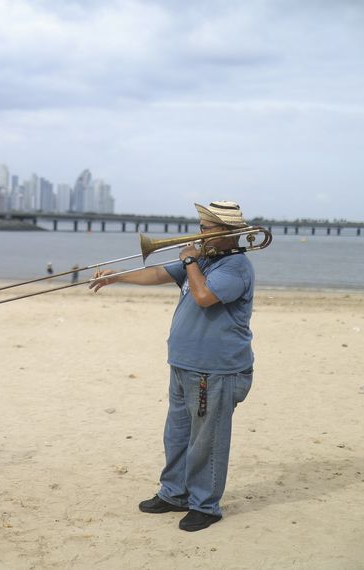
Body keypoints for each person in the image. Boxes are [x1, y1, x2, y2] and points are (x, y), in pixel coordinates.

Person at [90, 201, 255, 532]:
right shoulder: (207, 260)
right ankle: (174, 494)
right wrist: (116, 278)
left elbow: (204, 296)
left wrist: (191, 259)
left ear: (226, 233)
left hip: (215, 369)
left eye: (205, 229)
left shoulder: (235, 268)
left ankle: (205, 506)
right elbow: (157, 273)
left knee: (206, 441)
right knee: (177, 434)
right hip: (184, 364)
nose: (198, 233)